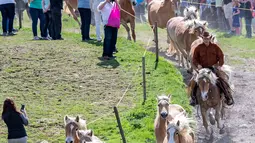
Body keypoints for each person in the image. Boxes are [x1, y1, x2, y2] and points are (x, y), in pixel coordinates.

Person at [189, 31, 234, 106]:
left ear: (210, 38)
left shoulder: (215, 47)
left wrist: (220, 65)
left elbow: (221, 56)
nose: (206, 40)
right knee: (193, 81)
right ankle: (193, 98)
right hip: (202, 69)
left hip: (213, 68)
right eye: (204, 38)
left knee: (222, 80)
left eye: (207, 38)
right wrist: (198, 65)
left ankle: (227, 96)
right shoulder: (198, 48)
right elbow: (194, 59)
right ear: (202, 38)